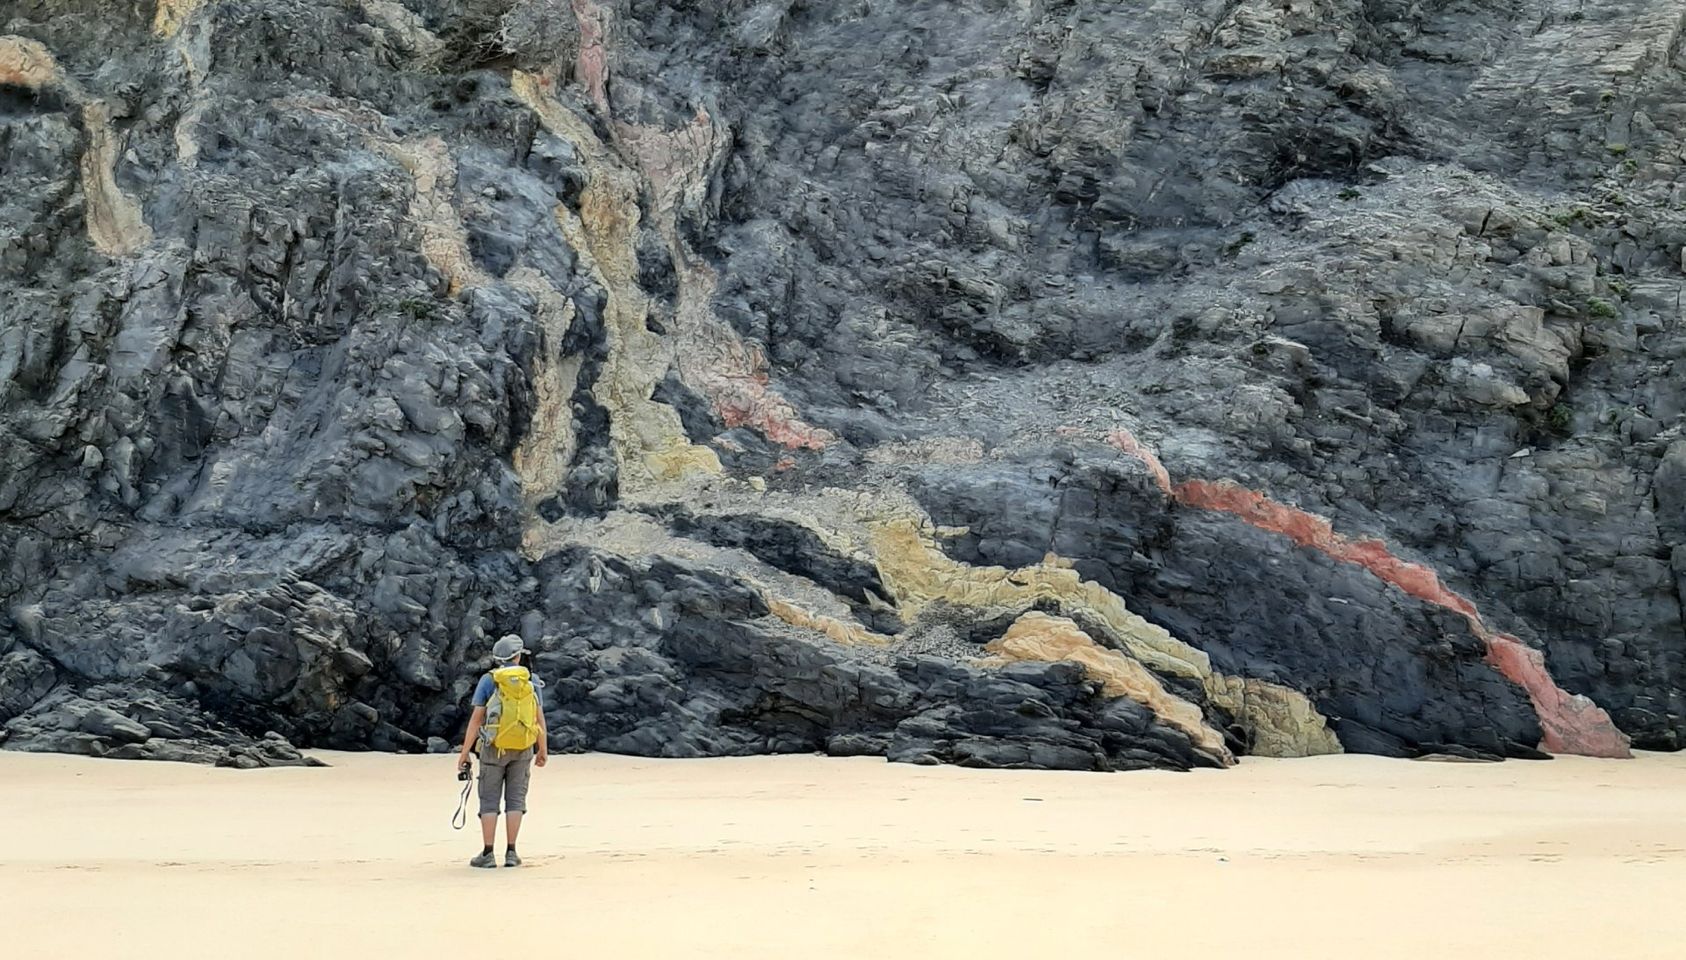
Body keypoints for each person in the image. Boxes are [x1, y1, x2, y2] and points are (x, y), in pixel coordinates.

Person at [456, 634, 548, 868]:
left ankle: (487, 853)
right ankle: (511, 852)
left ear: (497, 658)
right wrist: (542, 749)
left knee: (489, 801)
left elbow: (476, 720)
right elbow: (539, 719)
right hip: (523, 748)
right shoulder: (531, 680)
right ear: (518, 656)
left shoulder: (489, 680)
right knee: (516, 800)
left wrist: (464, 752)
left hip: (493, 749)